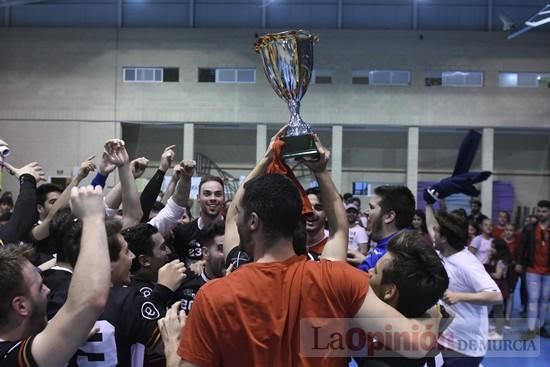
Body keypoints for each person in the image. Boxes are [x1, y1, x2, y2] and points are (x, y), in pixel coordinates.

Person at [175, 134, 440, 367]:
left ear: (253, 222)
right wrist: (433, 311)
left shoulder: (214, 296)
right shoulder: (337, 279)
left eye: (242, 214)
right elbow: (419, 343)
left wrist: (170, 349)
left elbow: (232, 216)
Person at [0, 185, 111, 367]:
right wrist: (93, 219)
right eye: (39, 287)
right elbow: (90, 301)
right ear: (21, 306)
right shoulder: (9, 358)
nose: (48, 289)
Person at [425, 204, 502, 366]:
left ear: (444, 238)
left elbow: (496, 296)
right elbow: (432, 226)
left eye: (437, 232)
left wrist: (459, 296)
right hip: (445, 337)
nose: (433, 234)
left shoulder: (467, 264)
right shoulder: (443, 252)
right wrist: (428, 203)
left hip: (464, 346)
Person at [363, 230, 450, 367]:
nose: (369, 272)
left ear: (389, 292)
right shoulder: (431, 325)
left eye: (376, 270)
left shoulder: (378, 361)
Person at [347, 185, 415, 271]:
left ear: (389, 216)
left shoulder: (395, 254)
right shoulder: (401, 244)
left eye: (372, 207)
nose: (366, 212)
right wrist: (366, 261)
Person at [516, 200, 550, 339]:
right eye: (539, 211)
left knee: (545, 299)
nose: (541, 214)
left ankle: (541, 327)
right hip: (532, 269)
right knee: (533, 298)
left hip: (548, 271)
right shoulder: (530, 228)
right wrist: (519, 262)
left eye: (544, 211)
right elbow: (522, 246)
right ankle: (531, 329)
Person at [176, 219, 227, 314]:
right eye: (221, 249)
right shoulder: (184, 283)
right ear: (206, 253)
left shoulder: (238, 287)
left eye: (228, 248)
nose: (226, 254)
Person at [173, 175, 225, 267]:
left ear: (223, 198)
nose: (213, 198)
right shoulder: (183, 232)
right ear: (198, 198)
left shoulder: (233, 231)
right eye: (207, 194)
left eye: (218, 194)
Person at [486, 238, 510, 340]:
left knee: (498, 310)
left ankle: (499, 332)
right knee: (493, 308)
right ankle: (494, 329)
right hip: (496, 287)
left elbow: (498, 275)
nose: (490, 248)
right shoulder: (495, 258)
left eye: (492, 247)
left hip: (499, 287)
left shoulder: (501, 261)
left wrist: (487, 273)